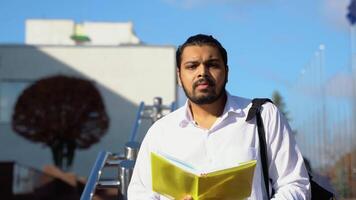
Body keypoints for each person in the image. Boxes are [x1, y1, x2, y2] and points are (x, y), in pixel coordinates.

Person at [127, 34, 311, 199]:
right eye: (192, 66)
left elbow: (295, 183)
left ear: (227, 72)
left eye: (212, 65)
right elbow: (140, 194)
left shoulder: (263, 116)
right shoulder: (161, 132)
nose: (202, 73)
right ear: (179, 76)